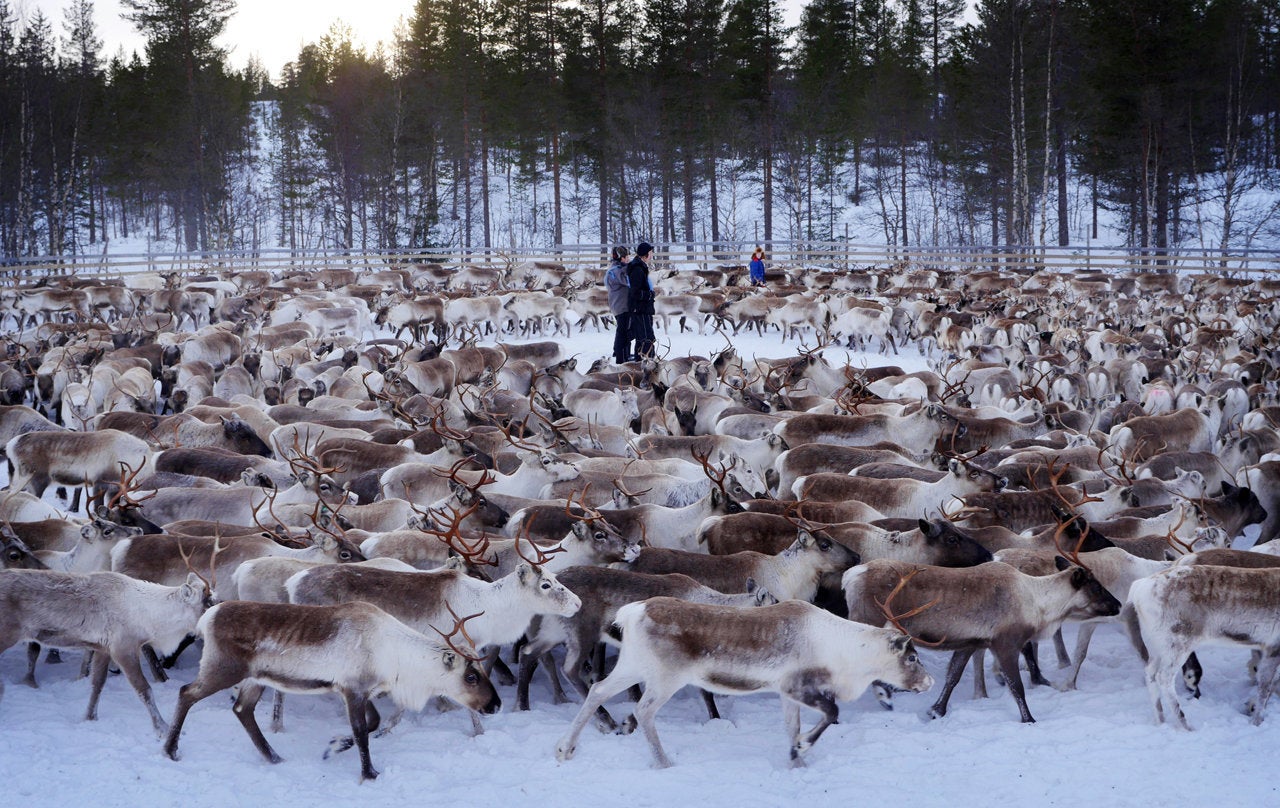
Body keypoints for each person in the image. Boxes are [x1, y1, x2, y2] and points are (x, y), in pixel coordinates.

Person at [625, 241, 657, 360]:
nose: (652, 255)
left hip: (642, 309)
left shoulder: (640, 267)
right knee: (646, 338)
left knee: (642, 337)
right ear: (646, 254)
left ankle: (640, 364)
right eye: (651, 252)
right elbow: (635, 292)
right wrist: (649, 295)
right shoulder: (637, 269)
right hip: (640, 309)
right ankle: (647, 363)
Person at [605, 245, 632, 364]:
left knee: (624, 329)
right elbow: (628, 281)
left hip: (619, 304)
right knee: (623, 330)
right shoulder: (616, 271)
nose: (629, 259)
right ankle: (621, 358)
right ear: (622, 258)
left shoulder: (615, 269)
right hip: (621, 305)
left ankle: (623, 353)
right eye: (627, 257)